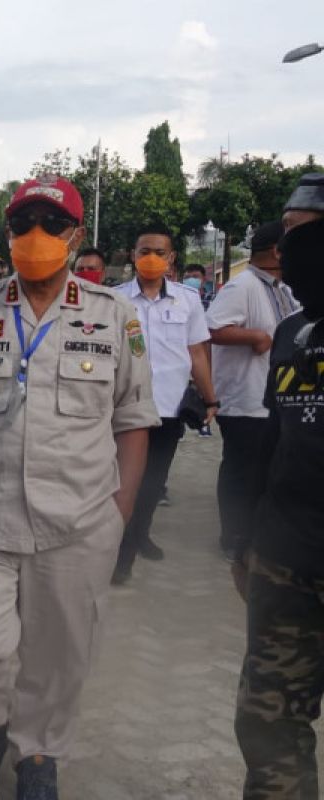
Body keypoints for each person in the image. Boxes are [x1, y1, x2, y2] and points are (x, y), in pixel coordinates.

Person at [0, 176, 156, 800]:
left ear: (74, 236)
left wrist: (120, 511)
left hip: (79, 523)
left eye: (50, 223)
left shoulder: (114, 317)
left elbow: (132, 420)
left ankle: (39, 751)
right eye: (22, 224)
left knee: (58, 652)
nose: (33, 236)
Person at [233, 211, 324, 798]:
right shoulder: (295, 333)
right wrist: (246, 539)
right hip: (287, 559)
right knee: (268, 721)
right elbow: (275, 440)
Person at [111, 224, 217, 584]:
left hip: (168, 408)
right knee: (124, 482)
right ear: (133, 255)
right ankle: (120, 557)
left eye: (159, 252)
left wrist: (210, 397)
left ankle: (140, 534)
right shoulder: (115, 300)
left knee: (153, 483)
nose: (151, 258)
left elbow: (197, 354)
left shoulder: (187, 301)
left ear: (171, 258)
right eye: (144, 251)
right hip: (125, 408)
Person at [206, 221, 299, 557]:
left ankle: (255, 534)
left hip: (272, 399)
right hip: (244, 398)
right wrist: (255, 337)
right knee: (240, 471)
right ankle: (232, 537)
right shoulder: (242, 286)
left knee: (265, 472)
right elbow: (213, 327)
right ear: (277, 251)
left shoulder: (283, 288)